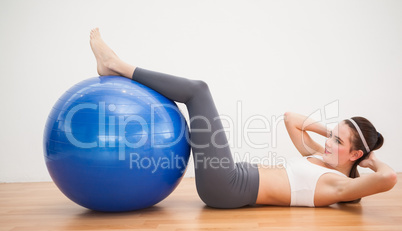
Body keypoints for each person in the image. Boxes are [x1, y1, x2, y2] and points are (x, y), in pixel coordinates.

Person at [89, 28, 397, 208]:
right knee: (196, 95)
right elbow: (292, 119)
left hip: (229, 186)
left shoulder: (336, 186)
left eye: (338, 142)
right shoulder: (318, 157)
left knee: (198, 92)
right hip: (232, 175)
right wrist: (334, 131)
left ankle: (115, 64)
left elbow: (388, 178)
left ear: (356, 154)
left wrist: (371, 162)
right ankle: (115, 65)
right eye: (331, 136)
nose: (328, 142)